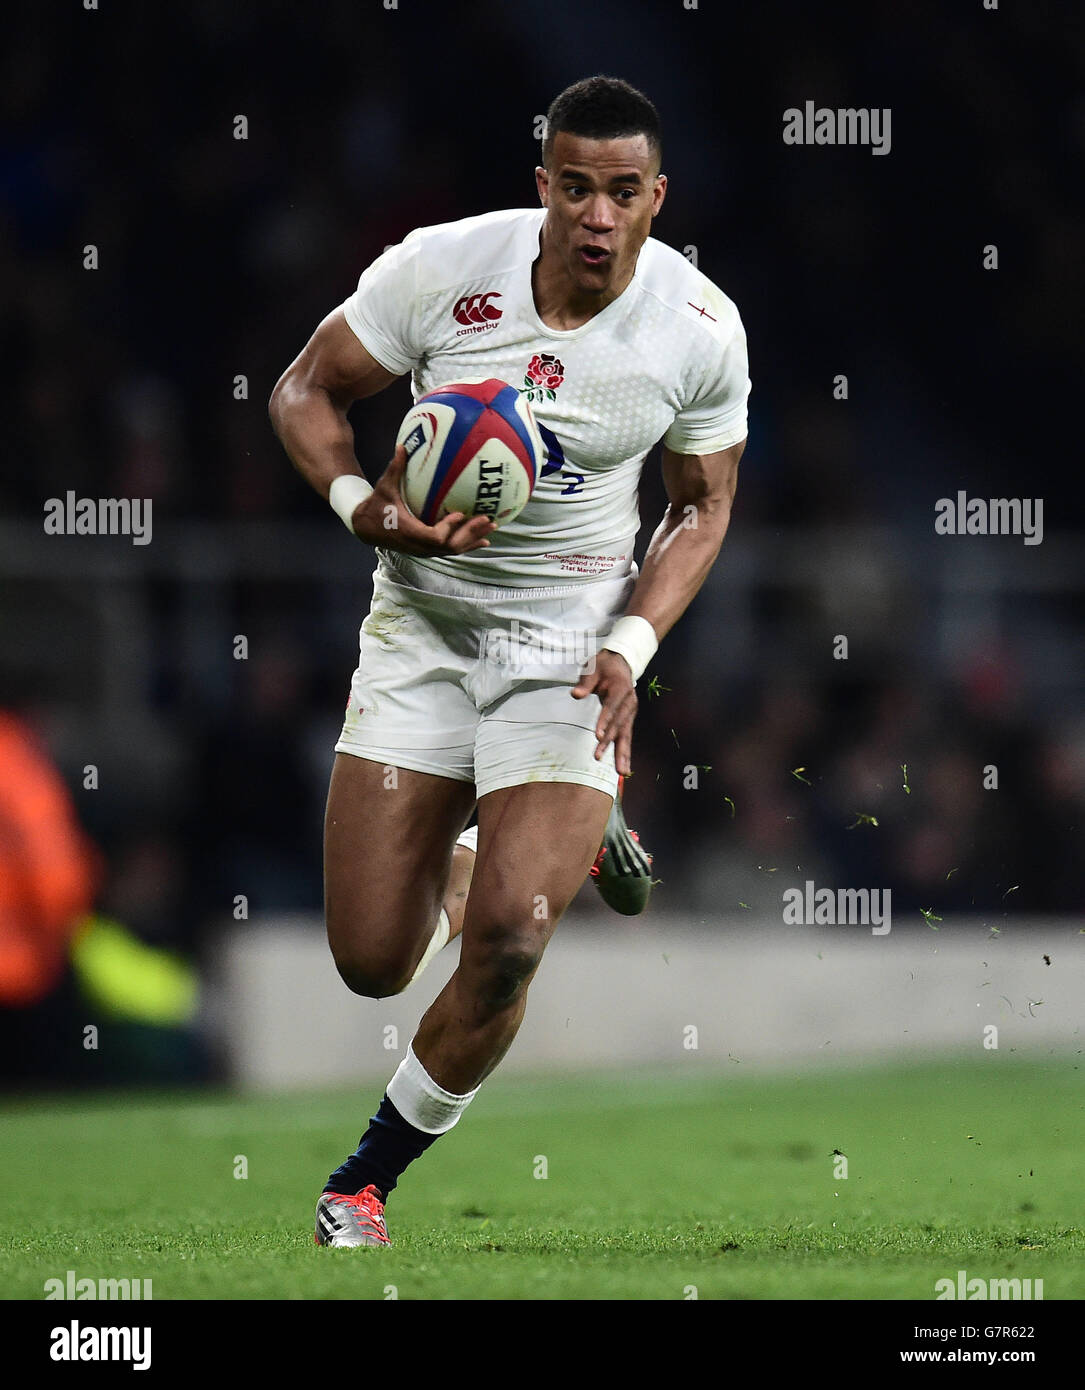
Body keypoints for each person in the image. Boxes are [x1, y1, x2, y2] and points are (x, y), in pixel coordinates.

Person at [268, 75, 749, 1247]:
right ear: (542, 185)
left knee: (511, 938)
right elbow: (305, 390)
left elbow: (701, 507)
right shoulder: (439, 268)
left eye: (622, 193)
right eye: (574, 187)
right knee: (372, 962)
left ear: (655, 199)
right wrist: (355, 504)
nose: (596, 214)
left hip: (569, 648)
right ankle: (516, 833)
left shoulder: (697, 328)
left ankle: (361, 1184)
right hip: (424, 625)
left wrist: (632, 646)